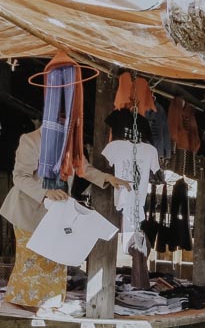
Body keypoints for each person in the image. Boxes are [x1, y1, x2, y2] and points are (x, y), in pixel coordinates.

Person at [0, 128, 129, 310]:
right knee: (32, 258)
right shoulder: (30, 140)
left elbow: (82, 168)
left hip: (57, 211)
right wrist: (45, 191)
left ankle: (47, 301)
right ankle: (27, 302)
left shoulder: (71, 142)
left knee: (56, 255)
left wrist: (107, 177)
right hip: (27, 208)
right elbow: (20, 177)